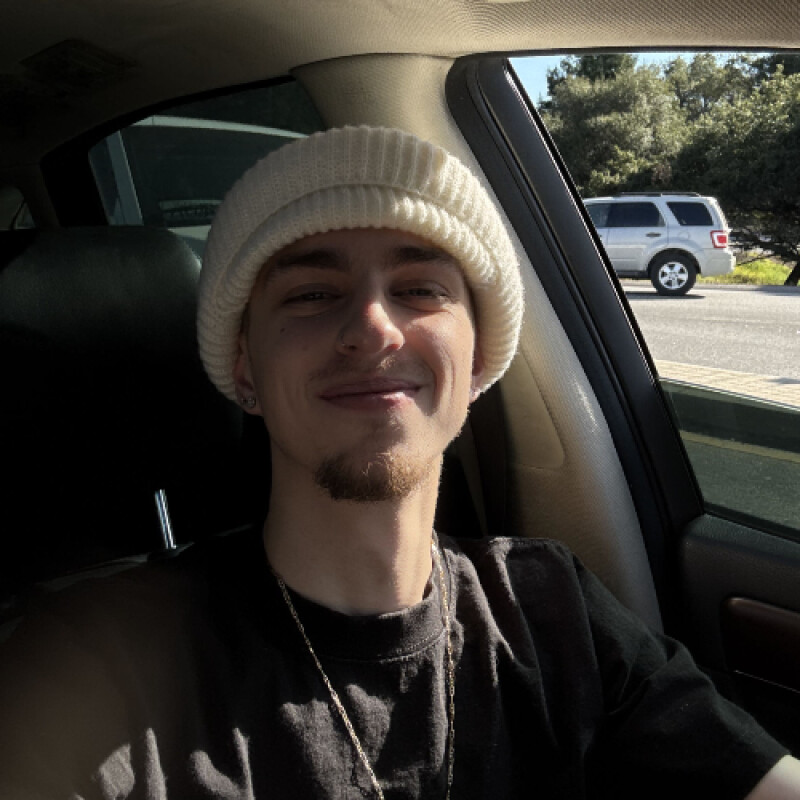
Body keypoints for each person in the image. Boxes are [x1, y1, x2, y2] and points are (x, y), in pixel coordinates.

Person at [1, 125, 798, 799]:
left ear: (478, 358)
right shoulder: (94, 662)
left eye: (420, 288)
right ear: (243, 367)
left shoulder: (555, 612)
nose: (375, 328)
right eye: (311, 294)